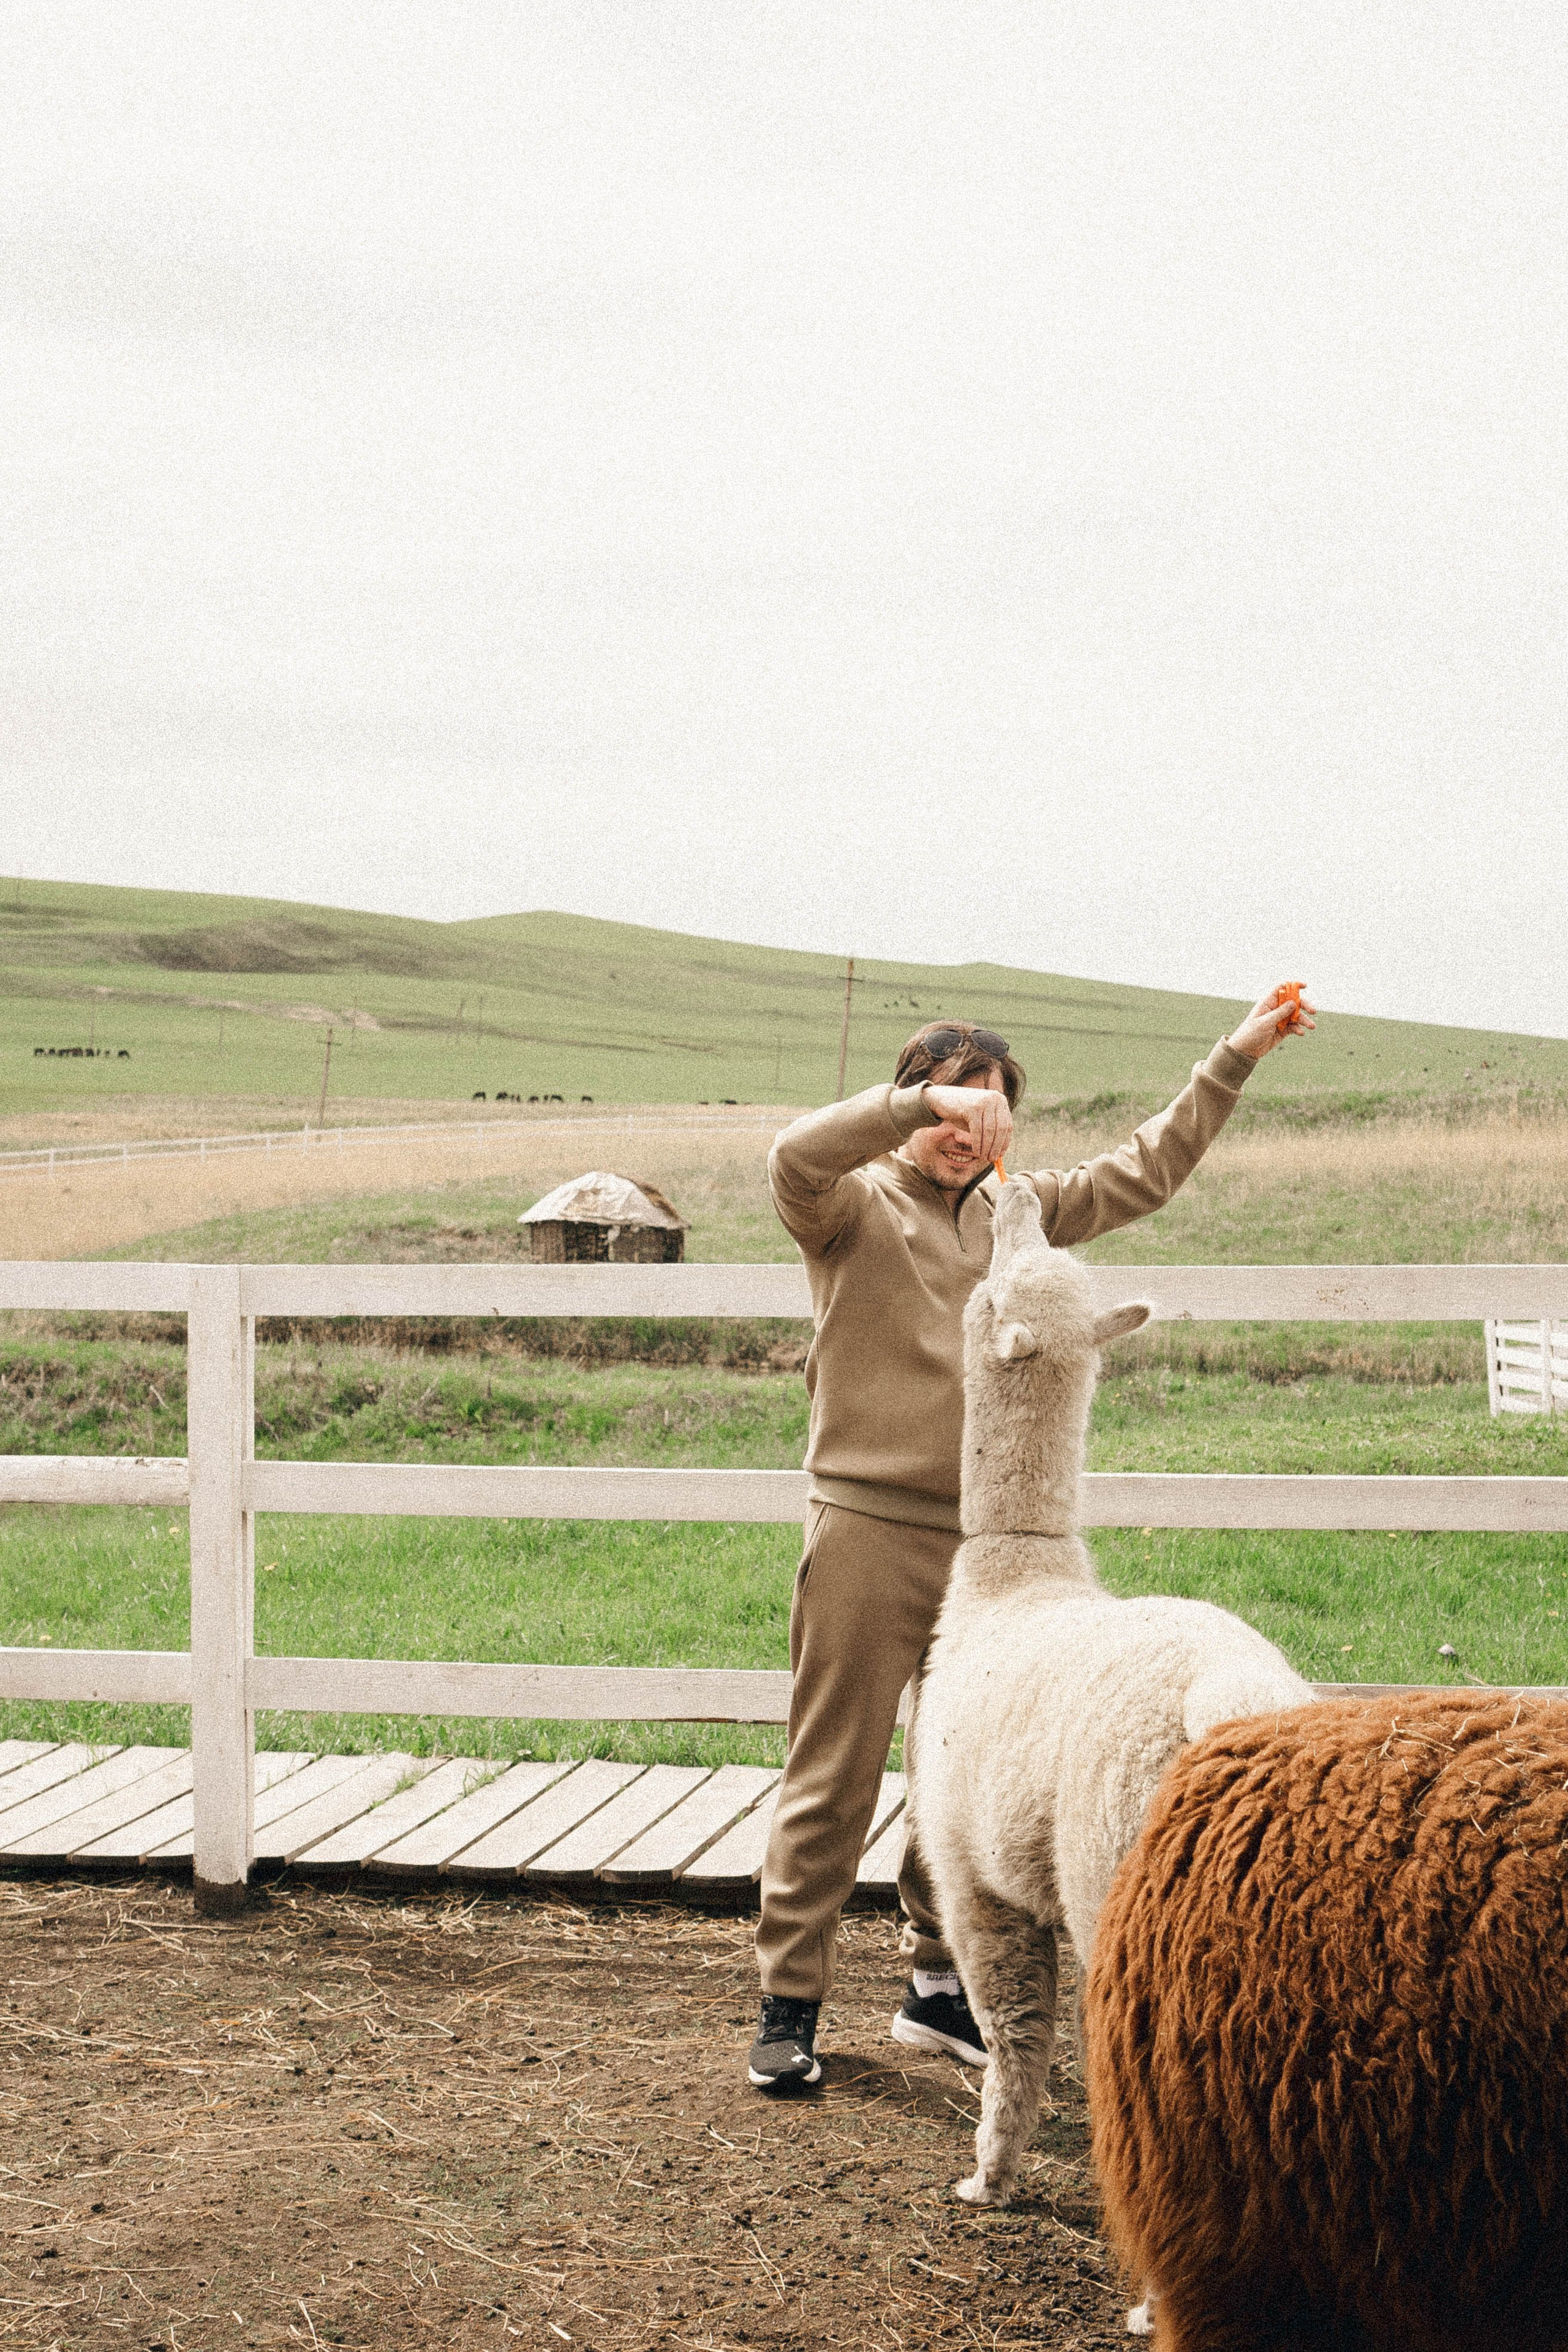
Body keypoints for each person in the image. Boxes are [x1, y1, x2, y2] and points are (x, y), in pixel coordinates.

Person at [746, 983, 1316, 2089]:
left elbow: (1147, 1170)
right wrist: (907, 1107)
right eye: (950, 1113)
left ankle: (937, 1985)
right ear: (917, 1107)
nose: (966, 1138)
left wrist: (1235, 1054)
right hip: (869, 1525)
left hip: (995, 1552)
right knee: (837, 1768)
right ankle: (789, 2004)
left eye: (989, 1114)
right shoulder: (851, 1205)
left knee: (957, 1765)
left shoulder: (1025, 1213)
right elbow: (791, 1154)